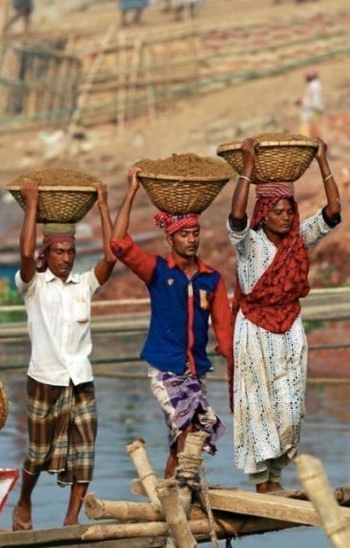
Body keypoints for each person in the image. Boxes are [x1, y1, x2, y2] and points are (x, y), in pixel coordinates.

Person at [228, 138, 341, 493]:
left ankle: (276, 473)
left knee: (290, 407)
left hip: (290, 326)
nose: (286, 216)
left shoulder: (298, 240)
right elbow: (235, 218)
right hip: (255, 329)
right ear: (263, 214)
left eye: (289, 210)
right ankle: (263, 481)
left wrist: (323, 162)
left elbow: (333, 212)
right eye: (277, 211)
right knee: (258, 404)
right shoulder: (250, 244)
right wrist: (248, 167)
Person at [110, 166, 231, 478]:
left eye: (195, 234)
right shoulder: (158, 270)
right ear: (170, 238)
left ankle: (174, 492)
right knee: (189, 426)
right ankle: (182, 491)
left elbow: (224, 329)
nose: (191, 240)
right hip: (166, 369)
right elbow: (119, 244)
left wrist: (234, 362)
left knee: (187, 438)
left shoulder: (211, 279)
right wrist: (132, 191)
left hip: (196, 370)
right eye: (184, 235)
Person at [11, 178, 116, 530]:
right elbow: (26, 254)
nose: (66, 259)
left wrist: (102, 203)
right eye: (59, 252)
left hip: (80, 379)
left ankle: (70, 517)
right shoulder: (33, 286)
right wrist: (31, 205)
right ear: (48, 252)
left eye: (70, 252)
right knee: (38, 455)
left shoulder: (84, 284)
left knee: (84, 452)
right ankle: (24, 502)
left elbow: (111, 255)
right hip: (44, 379)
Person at [297, 68, 324, 139]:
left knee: (310, 134)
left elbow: (316, 102)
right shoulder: (313, 85)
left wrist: (302, 101)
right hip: (311, 112)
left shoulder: (314, 85)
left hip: (311, 113)